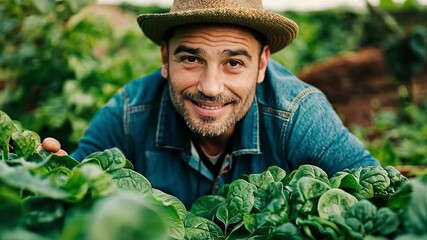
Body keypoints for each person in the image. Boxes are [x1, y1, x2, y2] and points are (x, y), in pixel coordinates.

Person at [42, 0, 380, 208]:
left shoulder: (300, 114)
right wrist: (58, 180)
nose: (210, 87)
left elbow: (381, 193)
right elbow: (76, 179)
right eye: (191, 59)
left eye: (234, 63)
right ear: (165, 58)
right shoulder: (130, 112)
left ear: (262, 64)